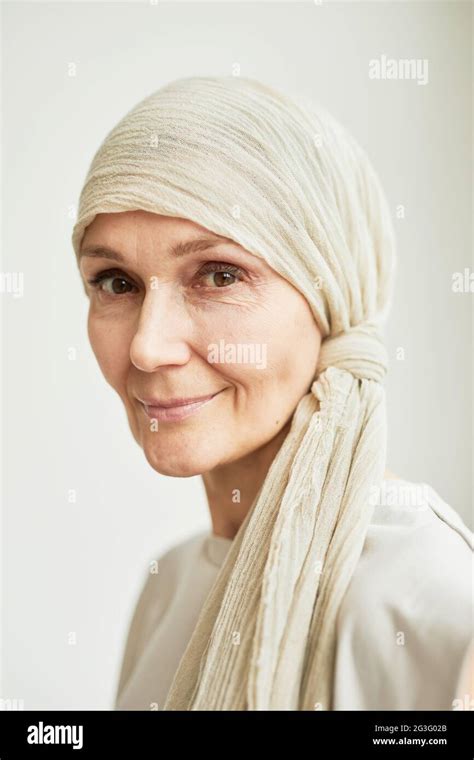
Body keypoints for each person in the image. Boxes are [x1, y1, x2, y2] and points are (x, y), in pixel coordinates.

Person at [72, 76, 473, 710]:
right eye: (116, 281)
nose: (148, 347)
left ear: (331, 297)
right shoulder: (167, 588)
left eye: (219, 274)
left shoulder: (426, 608)